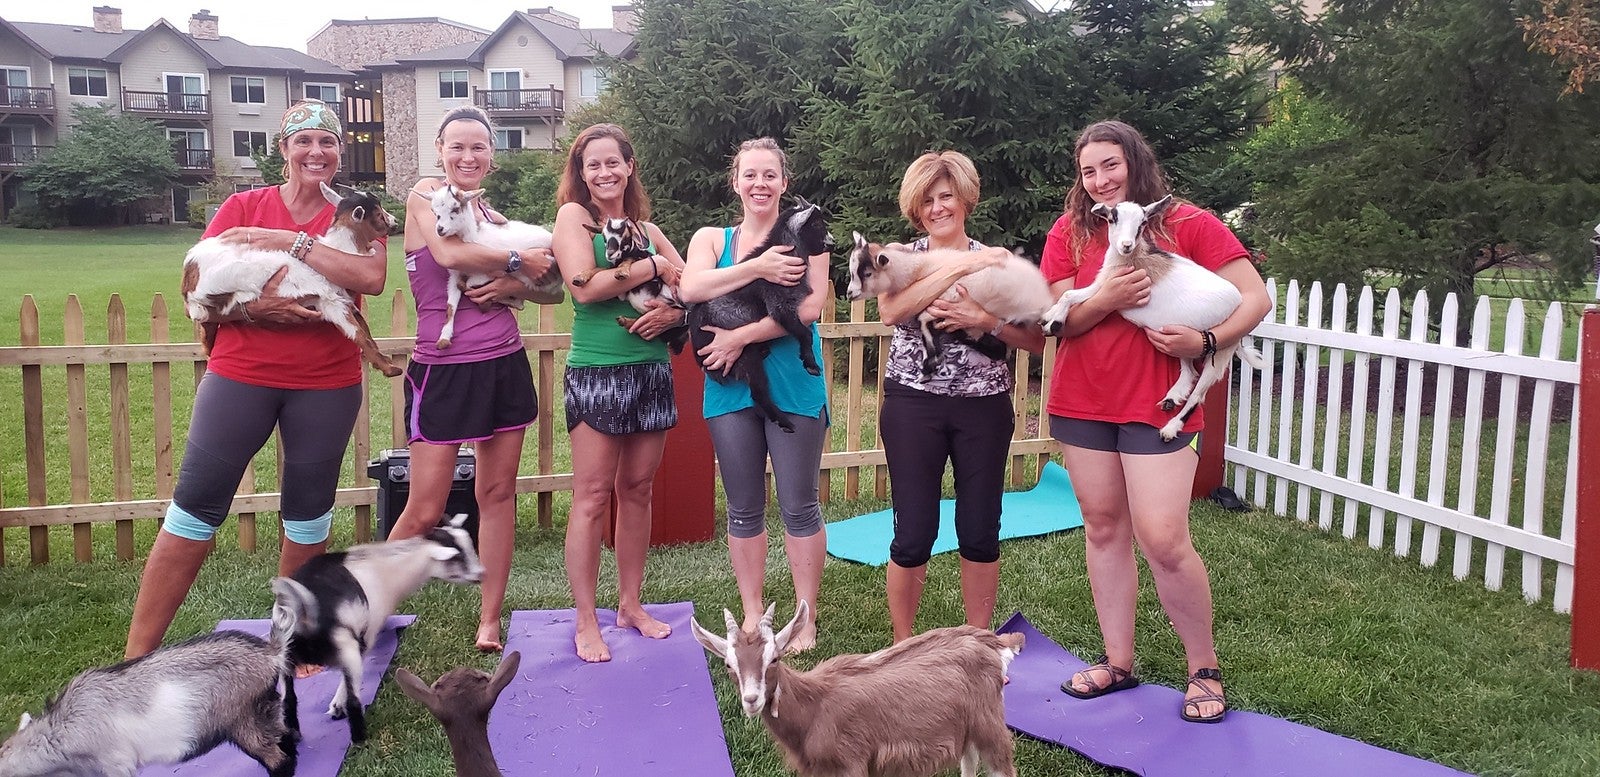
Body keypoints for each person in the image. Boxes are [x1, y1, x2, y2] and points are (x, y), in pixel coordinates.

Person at [125, 100, 387, 658]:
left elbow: (371, 276)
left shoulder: (357, 212)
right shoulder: (244, 205)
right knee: (194, 507)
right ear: (284, 149)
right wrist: (254, 312)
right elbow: (197, 293)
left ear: (340, 151)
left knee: (309, 513)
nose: (317, 152)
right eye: (304, 142)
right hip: (240, 375)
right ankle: (135, 658)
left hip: (325, 382)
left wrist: (290, 243)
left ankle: (287, 646)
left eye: (328, 142)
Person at [1040, 120, 1271, 723]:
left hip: (1156, 405)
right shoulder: (1069, 231)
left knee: (1164, 538)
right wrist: (1107, 298)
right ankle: (1119, 662)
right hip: (1083, 399)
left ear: (1135, 163)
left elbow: (1255, 297)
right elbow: (1061, 319)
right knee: (1102, 528)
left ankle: (1203, 668)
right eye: (1088, 171)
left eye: (1110, 166)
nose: (1100, 181)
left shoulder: (1189, 223)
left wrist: (1208, 338)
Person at [385, 105, 557, 652]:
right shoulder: (423, 196)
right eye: (457, 146)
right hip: (442, 372)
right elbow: (447, 250)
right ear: (439, 150)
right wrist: (517, 263)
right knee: (425, 508)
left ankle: (490, 619)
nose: (468, 156)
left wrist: (516, 288)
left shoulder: (496, 221)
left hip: (503, 364)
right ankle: (364, 608)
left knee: (497, 493)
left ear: (492, 156)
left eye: (478, 147)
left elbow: (553, 285)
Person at [876, 151, 1045, 644]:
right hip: (913, 405)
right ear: (915, 206)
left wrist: (983, 320)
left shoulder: (1001, 263)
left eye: (945, 196)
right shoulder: (899, 256)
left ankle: (980, 644)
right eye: (927, 200)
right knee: (913, 533)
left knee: (979, 528)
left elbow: (1034, 340)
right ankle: (903, 645)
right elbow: (892, 311)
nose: (937, 208)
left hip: (983, 407)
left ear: (964, 198)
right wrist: (956, 269)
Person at [679, 138, 830, 653]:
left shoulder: (808, 237)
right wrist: (756, 269)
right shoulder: (709, 238)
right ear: (736, 182)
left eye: (770, 175)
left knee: (799, 505)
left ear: (784, 183)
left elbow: (809, 309)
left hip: (792, 382)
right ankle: (751, 614)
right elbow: (691, 289)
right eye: (750, 175)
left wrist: (741, 336)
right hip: (729, 388)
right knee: (742, 508)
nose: (759, 184)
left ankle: (805, 619)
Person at [551, 124, 687, 663]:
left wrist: (675, 311)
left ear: (629, 167)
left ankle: (630, 604)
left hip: (650, 371)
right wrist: (653, 266)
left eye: (614, 162)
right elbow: (585, 288)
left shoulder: (648, 226)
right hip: (598, 370)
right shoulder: (573, 219)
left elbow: (693, 286)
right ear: (581, 173)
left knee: (637, 491)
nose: (604, 173)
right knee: (590, 497)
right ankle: (586, 619)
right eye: (593, 165)